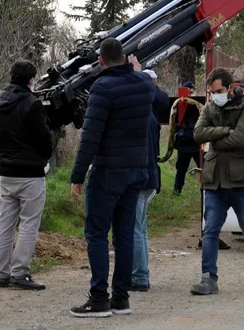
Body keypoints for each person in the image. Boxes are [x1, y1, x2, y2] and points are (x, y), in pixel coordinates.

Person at [69, 39, 156, 318]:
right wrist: (137, 70)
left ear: (101, 60)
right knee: (124, 235)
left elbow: (91, 136)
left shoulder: (103, 88)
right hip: (136, 170)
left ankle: (98, 299)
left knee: (96, 233)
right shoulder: (144, 84)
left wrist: (77, 175)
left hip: (108, 171)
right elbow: (156, 95)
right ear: (125, 57)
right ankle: (121, 298)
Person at [191, 67, 244, 295]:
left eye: (220, 90)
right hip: (215, 181)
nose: (216, 96)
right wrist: (224, 131)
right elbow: (198, 134)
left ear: (231, 87)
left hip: (243, 180)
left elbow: (241, 139)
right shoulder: (211, 107)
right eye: (212, 92)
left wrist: (216, 138)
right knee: (210, 231)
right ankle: (208, 279)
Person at [0, 59, 53, 291]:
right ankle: (20, 272)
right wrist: (42, 157)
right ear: (31, 80)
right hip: (31, 172)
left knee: (5, 223)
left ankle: (2, 273)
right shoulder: (32, 104)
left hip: (6, 171)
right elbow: (44, 140)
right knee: (29, 223)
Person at [131, 69, 170, 292]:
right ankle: (141, 273)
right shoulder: (152, 115)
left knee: (135, 228)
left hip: (141, 178)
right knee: (141, 228)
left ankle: (139, 277)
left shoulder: (140, 116)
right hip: (150, 178)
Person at [173, 81, 200, 195]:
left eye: (191, 92)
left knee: (203, 167)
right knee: (181, 169)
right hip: (184, 142)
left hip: (196, 142)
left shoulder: (198, 104)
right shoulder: (178, 104)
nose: (189, 95)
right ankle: (177, 190)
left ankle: (207, 189)